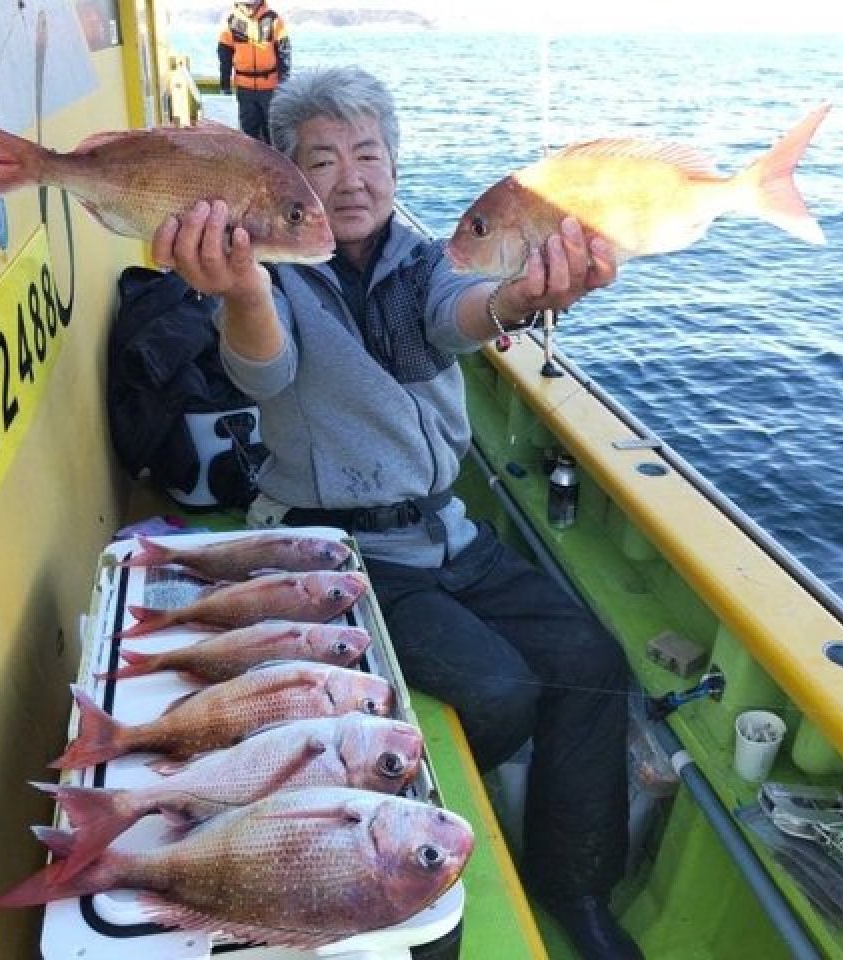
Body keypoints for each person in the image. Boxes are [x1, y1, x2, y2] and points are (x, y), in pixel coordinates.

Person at [153, 66, 642, 960]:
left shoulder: (424, 257)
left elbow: (455, 317)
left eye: (368, 154)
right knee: (501, 692)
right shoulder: (272, 261)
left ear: (395, 165)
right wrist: (244, 293)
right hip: (342, 550)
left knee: (594, 660)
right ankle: (405, 840)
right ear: (288, 178)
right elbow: (262, 373)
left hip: (446, 530)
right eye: (322, 160)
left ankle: (576, 889)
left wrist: (523, 298)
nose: (350, 179)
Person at [217, 0, 290, 143]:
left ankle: (275, 163)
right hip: (245, 89)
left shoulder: (273, 19)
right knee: (248, 133)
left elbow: (284, 54)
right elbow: (224, 55)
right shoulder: (231, 21)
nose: (249, 6)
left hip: (271, 89)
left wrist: (284, 85)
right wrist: (225, 84)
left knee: (273, 131)